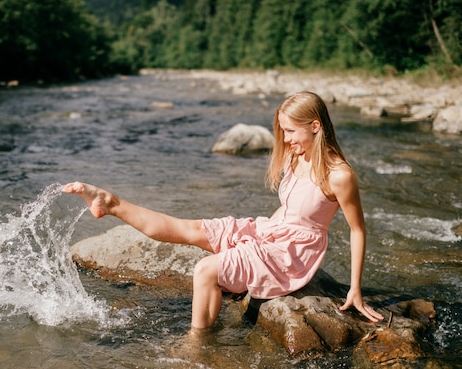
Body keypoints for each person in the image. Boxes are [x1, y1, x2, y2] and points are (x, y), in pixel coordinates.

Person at [63, 91, 384, 331]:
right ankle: (111, 203)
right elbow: (291, 206)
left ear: (315, 126)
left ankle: (196, 344)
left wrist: (355, 288)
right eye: (282, 131)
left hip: (293, 251)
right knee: (190, 229)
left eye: (290, 131)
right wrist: (255, 235)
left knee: (205, 270)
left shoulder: (339, 176)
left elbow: (357, 230)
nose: (285, 140)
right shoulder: (294, 156)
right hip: (272, 230)